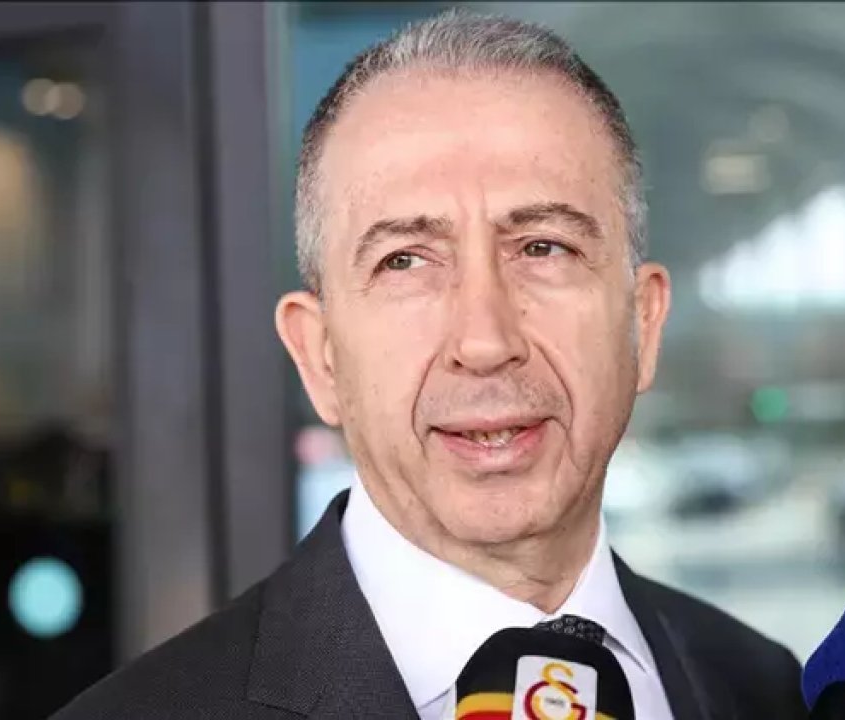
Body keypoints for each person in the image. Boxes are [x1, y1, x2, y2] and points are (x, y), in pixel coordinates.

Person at [52, 9, 806, 719]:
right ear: (319, 356)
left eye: (543, 247)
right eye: (405, 261)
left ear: (643, 322)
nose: (484, 341)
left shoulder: (763, 689)